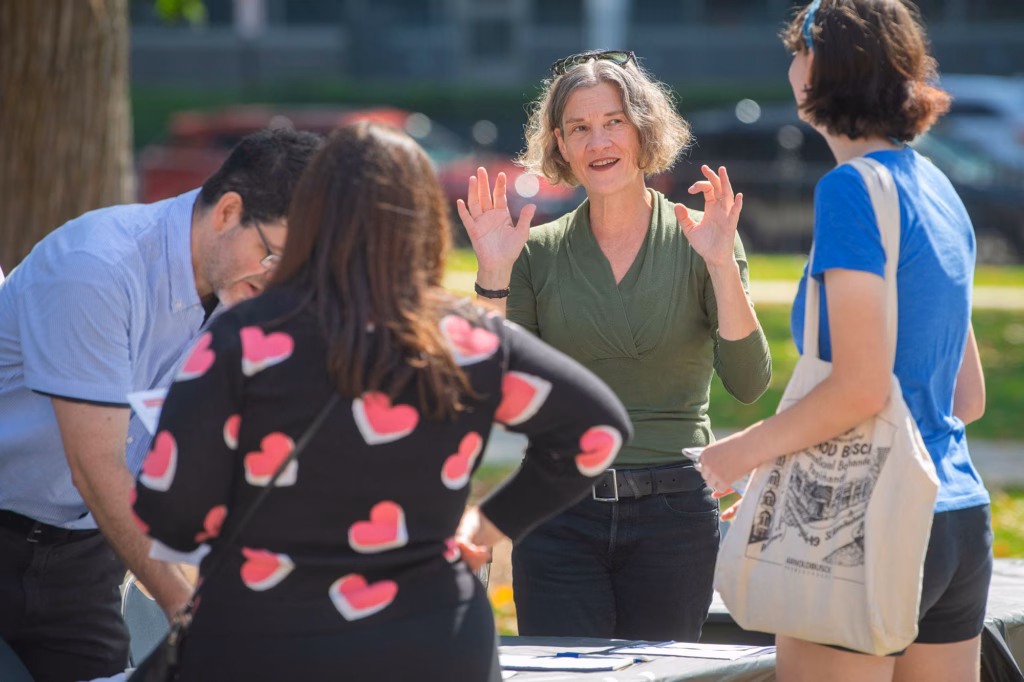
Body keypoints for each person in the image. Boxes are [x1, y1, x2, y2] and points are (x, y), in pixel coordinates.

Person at [131, 122, 633, 681]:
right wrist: (485, 527)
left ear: (312, 215)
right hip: (434, 642)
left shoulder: (242, 339)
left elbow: (168, 516)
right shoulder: (467, 341)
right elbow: (597, 432)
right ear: (424, 221)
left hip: (262, 639)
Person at [694, 2, 991, 681]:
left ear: (819, 71)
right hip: (957, 518)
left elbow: (858, 386)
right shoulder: (940, 188)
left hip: (866, 526)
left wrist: (739, 455)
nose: (791, 67)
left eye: (797, 51)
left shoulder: (851, 190)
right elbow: (966, 397)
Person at [456, 50, 772, 642]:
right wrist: (493, 275)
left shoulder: (702, 240)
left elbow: (750, 384)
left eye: (614, 122)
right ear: (562, 143)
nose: (598, 141)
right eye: (580, 127)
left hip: (675, 516)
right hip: (555, 512)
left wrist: (722, 266)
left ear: (643, 130)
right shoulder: (534, 252)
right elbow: (489, 392)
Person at [0, 127, 323, 682]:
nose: (278, 286)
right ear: (227, 212)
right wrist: (190, 612)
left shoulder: (243, 291)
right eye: (272, 258)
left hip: (84, 554)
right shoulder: (96, 267)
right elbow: (96, 468)